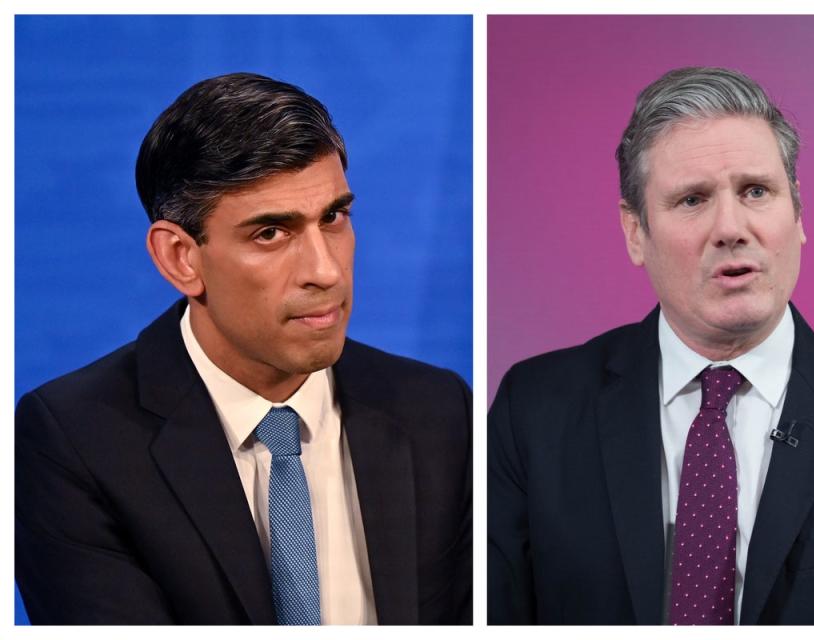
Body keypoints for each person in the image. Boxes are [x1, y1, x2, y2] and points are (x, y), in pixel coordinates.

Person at [487, 67, 814, 625]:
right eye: (692, 199)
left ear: (797, 212)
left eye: (756, 191)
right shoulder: (534, 410)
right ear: (636, 233)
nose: (731, 227)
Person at [16, 72, 472, 625]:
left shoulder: (439, 410)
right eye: (270, 234)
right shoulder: (73, 441)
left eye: (333, 218)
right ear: (180, 258)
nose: (325, 271)